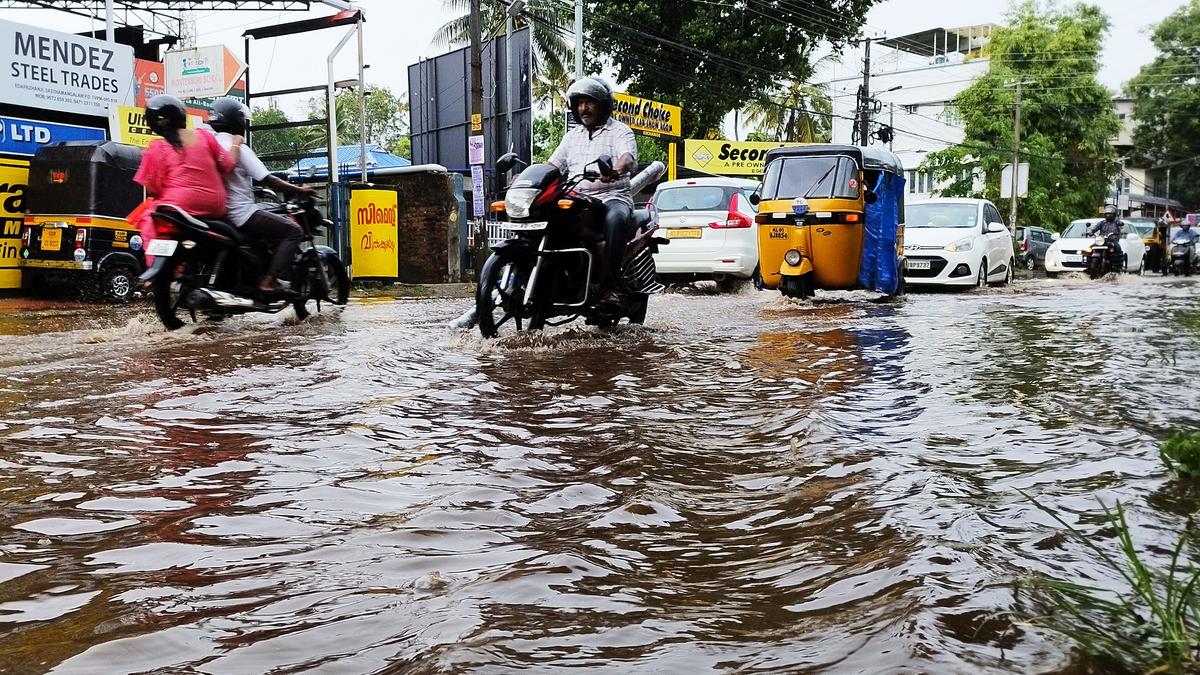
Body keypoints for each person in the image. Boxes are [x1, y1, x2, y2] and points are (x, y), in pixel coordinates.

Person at [208, 97, 311, 295]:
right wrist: (299, 190)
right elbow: (267, 179)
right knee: (293, 231)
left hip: (216, 213)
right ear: (237, 121)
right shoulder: (239, 147)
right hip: (240, 213)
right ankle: (269, 281)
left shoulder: (208, 145)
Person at [546, 76, 637, 298]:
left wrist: (615, 170)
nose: (584, 108)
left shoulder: (620, 131)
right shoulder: (571, 137)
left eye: (590, 102)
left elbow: (627, 157)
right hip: (578, 198)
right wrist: (527, 177)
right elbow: (552, 165)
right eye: (579, 103)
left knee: (615, 221)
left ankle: (609, 288)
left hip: (613, 197)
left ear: (603, 105)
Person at [133, 95, 238, 253]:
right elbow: (228, 165)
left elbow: (153, 189)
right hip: (216, 207)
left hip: (179, 207)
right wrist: (236, 143)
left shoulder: (157, 148)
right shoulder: (205, 136)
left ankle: (155, 273)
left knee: (147, 216)